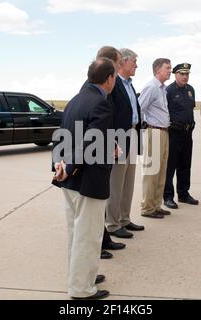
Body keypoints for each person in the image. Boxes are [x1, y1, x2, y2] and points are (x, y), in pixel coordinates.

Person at [52, 58, 117, 299]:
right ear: (109, 78)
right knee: (88, 236)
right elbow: (90, 142)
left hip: (69, 180)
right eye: (115, 78)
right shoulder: (101, 104)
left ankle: (82, 275)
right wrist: (68, 166)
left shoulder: (75, 101)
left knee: (75, 232)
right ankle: (81, 289)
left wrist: (58, 166)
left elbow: (62, 136)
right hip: (87, 180)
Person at [81, 46, 126, 258]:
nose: (120, 68)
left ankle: (104, 238)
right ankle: (97, 245)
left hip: (105, 145)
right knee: (96, 203)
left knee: (101, 201)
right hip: (97, 153)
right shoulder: (97, 89)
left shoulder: (97, 86)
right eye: (118, 63)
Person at [106, 48, 145, 239]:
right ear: (125, 62)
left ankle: (124, 219)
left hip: (133, 133)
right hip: (120, 136)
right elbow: (111, 113)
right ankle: (112, 224)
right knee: (116, 182)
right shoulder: (115, 84)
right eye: (135, 61)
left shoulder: (130, 85)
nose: (136, 65)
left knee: (129, 181)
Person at [139, 58, 172, 219]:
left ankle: (156, 205)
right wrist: (146, 126)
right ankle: (147, 207)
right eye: (167, 68)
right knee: (151, 171)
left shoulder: (162, 89)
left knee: (161, 172)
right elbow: (139, 109)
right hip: (153, 132)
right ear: (158, 69)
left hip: (164, 132)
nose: (170, 71)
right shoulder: (151, 87)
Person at [163, 63, 200, 209]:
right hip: (174, 133)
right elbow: (164, 110)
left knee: (185, 165)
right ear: (175, 74)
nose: (185, 77)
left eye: (187, 74)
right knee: (170, 166)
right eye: (182, 74)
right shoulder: (169, 90)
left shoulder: (190, 90)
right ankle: (168, 196)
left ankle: (184, 194)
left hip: (187, 133)